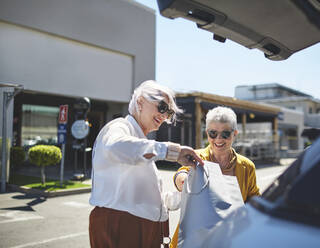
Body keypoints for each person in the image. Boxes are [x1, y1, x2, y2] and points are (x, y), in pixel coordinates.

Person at [89, 80, 203, 248]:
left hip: (141, 227)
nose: (164, 117)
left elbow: (142, 196)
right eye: (162, 107)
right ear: (141, 102)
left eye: (169, 113)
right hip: (123, 225)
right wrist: (173, 152)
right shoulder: (119, 126)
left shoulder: (141, 143)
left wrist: (182, 196)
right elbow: (115, 147)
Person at [170, 106, 260, 248]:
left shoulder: (247, 166)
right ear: (207, 134)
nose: (218, 139)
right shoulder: (197, 157)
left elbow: (253, 197)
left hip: (229, 238)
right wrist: (182, 180)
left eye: (225, 134)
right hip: (195, 237)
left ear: (235, 133)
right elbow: (181, 173)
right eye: (213, 133)